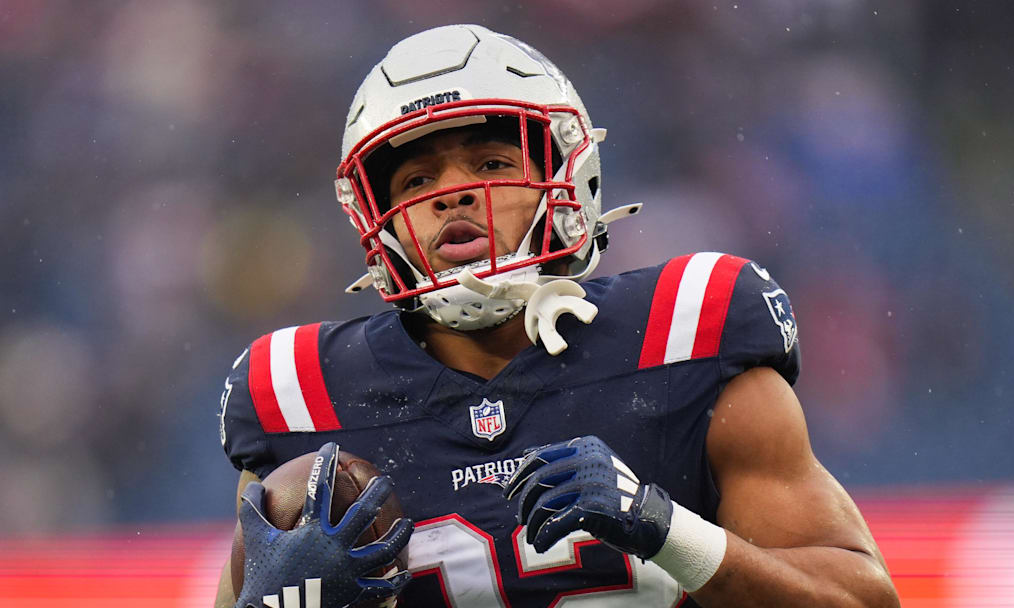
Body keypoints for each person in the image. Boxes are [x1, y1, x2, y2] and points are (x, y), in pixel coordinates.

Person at [216, 24, 900, 608]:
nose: (452, 198)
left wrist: (668, 531)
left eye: (488, 162)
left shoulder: (685, 334)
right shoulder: (302, 394)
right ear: (373, 214)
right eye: (418, 180)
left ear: (567, 176)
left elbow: (860, 598)